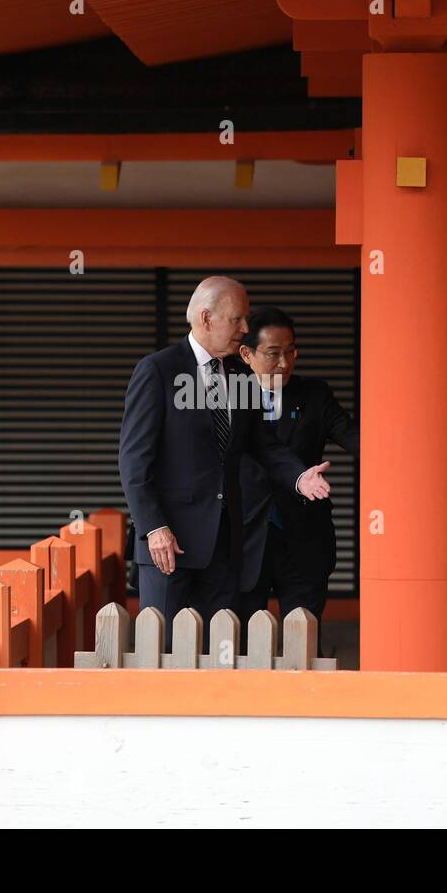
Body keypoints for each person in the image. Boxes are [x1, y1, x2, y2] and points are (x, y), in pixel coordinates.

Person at [118, 277, 332, 648]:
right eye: (238, 320)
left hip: (224, 545)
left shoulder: (239, 374)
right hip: (168, 546)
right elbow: (134, 461)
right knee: (166, 650)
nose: (246, 329)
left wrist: (299, 477)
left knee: (221, 651)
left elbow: (264, 445)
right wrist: (154, 528)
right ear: (206, 318)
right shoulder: (158, 371)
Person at [237, 307, 358, 653]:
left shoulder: (314, 394)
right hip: (245, 537)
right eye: (273, 353)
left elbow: (353, 437)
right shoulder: (226, 396)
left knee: (303, 640)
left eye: (290, 351)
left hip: (304, 536)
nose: (284, 362)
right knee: (244, 641)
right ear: (247, 353)